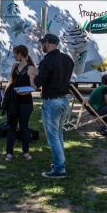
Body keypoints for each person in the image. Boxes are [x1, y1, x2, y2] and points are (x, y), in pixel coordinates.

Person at [34, 34, 74, 179]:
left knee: (53, 138)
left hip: (52, 102)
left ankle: (59, 168)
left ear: (49, 43)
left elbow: (39, 82)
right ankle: (59, 163)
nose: (41, 46)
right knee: (59, 135)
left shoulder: (47, 60)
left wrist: (33, 74)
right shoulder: (68, 59)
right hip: (64, 100)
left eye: (42, 43)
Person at [3, 45, 36, 162]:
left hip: (25, 102)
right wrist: (4, 97)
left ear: (20, 54)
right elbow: (10, 82)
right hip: (13, 101)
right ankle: (9, 153)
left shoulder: (30, 68)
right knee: (11, 126)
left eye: (15, 54)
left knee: (24, 127)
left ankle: (26, 152)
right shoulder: (14, 66)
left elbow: (33, 87)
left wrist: (24, 92)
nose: (13, 56)